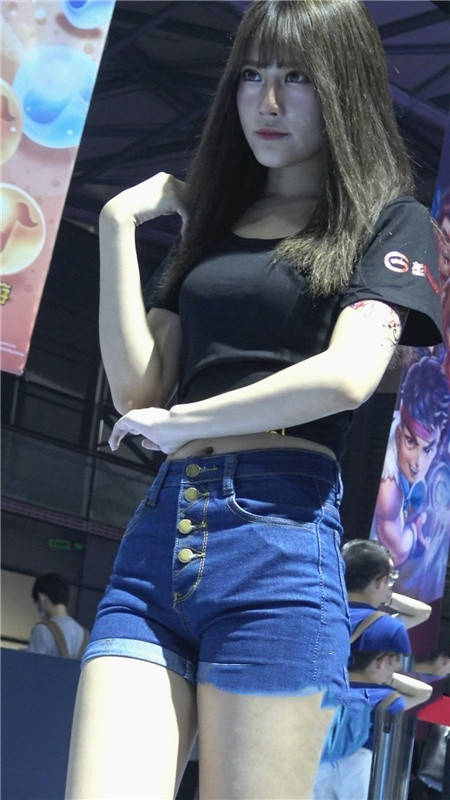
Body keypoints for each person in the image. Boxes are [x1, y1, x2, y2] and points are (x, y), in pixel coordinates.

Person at [65, 2, 443, 798]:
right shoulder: (214, 229)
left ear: (343, 87)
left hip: (278, 547)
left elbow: (345, 376)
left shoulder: (389, 222)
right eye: (252, 75)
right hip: (158, 545)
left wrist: (183, 423)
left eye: (297, 77)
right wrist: (117, 224)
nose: (267, 101)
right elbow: (138, 388)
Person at [371, 357, 449, 600]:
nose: (417, 463)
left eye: (428, 449)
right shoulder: (389, 487)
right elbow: (397, 551)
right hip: (370, 593)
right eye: (410, 441)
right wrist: (415, 531)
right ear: (400, 431)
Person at [312, 649, 432, 800]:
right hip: (357, 760)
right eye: (390, 664)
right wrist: (387, 678)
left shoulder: (329, 682)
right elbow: (424, 693)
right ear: (379, 662)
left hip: (322, 756)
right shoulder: (377, 693)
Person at [342, 539, 431, 660]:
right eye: (391, 577)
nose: (391, 584)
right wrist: (386, 596)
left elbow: (424, 612)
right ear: (380, 580)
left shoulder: (322, 613)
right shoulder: (389, 628)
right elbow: (422, 612)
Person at [28, 573, 89, 659]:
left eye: (36, 603)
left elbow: (31, 664)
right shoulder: (85, 635)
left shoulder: (42, 630)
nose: (38, 608)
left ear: (41, 598)